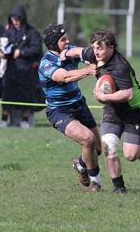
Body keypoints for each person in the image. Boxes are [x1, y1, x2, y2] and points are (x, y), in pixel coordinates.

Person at [64, 29, 140, 194]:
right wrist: (65, 53)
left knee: (131, 155)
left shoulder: (120, 66)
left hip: (133, 111)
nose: (96, 52)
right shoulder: (94, 54)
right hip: (112, 110)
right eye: (95, 47)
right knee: (109, 147)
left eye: (100, 48)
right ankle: (119, 187)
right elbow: (78, 51)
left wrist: (104, 95)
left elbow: (128, 94)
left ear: (112, 48)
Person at [38, 24, 102, 193]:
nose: (68, 41)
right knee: (88, 139)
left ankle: (80, 166)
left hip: (79, 105)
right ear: (52, 44)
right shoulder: (46, 64)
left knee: (97, 149)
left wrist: (91, 56)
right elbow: (64, 77)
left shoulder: (69, 49)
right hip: (59, 112)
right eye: (63, 39)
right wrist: (88, 71)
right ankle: (95, 183)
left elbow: (81, 53)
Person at [0, 5, 43, 128]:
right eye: (13, 20)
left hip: (27, 70)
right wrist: (0, 52)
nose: (15, 22)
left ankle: (25, 120)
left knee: (26, 96)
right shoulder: (9, 31)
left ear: (23, 19)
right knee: (7, 95)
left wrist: (21, 52)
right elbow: (2, 44)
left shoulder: (31, 32)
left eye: (17, 20)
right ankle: (3, 120)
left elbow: (37, 49)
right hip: (11, 70)